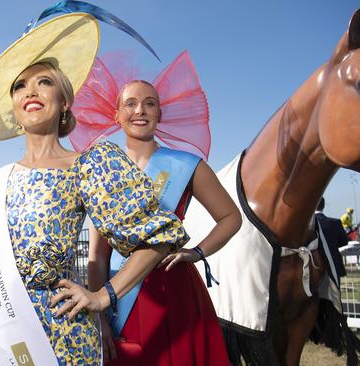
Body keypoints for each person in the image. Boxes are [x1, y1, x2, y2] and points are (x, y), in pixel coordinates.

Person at [0, 14, 190, 366]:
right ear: (15, 108)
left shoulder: (89, 163)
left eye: (44, 82)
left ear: (63, 102)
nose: (30, 90)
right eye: (20, 86)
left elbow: (157, 235)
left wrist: (103, 296)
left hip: (64, 335)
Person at [70, 52, 240, 365]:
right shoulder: (102, 171)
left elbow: (231, 218)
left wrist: (198, 252)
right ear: (117, 115)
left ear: (160, 114)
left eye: (150, 103)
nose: (140, 110)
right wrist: (100, 318)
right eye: (131, 103)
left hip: (173, 290)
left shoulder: (188, 165)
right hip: (119, 296)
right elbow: (97, 255)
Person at [315, 197, 349, 281]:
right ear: (323, 206)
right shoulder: (336, 223)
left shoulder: (307, 225)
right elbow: (344, 241)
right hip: (333, 263)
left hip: (313, 264)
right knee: (334, 293)